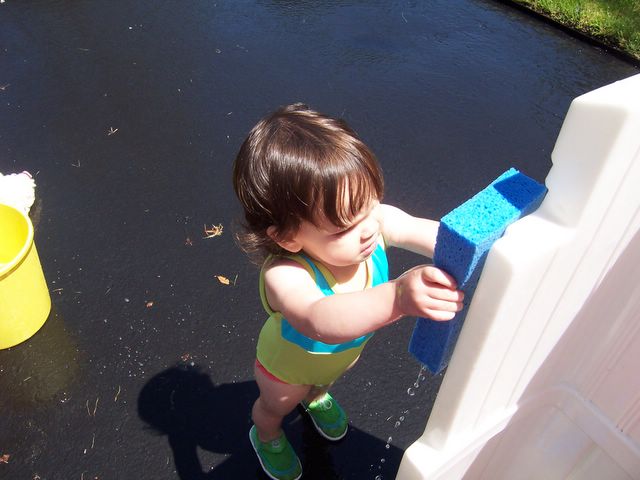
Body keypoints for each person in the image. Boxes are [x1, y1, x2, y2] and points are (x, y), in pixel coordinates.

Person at [232, 103, 464, 480]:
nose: (368, 228)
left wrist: (475, 248)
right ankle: (267, 434)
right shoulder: (286, 274)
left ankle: (315, 395)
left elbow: (424, 232)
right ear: (289, 238)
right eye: (343, 228)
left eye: (370, 206)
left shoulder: (370, 223)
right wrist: (398, 297)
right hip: (286, 368)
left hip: (340, 357)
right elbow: (319, 319)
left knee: (323, 382)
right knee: (277, 405)